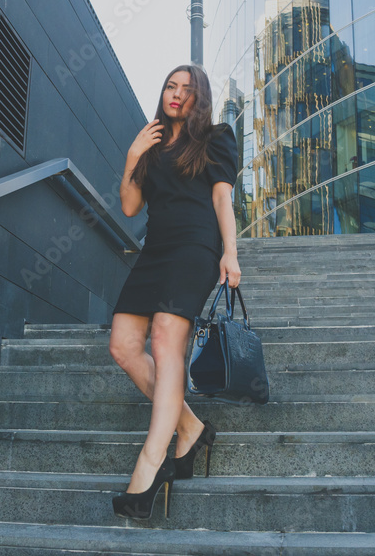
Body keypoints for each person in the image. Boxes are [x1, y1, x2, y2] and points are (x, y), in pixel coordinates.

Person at [108, 63, 240, 520]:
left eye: (186, 89)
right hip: (156, 249)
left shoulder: (217, 137)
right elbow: (129, 207)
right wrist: (131, 158)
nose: (177, 94)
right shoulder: (151, 141)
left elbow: (222, 197)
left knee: (165, 339)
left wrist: (231, 252)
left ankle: (150, 465)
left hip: (196, 245)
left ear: (198, 97)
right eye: (170, 86)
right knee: (123, 346)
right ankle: (189, 425)